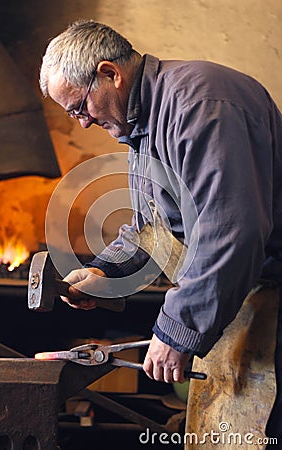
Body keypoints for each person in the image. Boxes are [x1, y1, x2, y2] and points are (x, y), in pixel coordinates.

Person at [39, 20, 282, 444]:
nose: (81, 124)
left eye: (80, 107)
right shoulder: (145, 127)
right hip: (248, 296)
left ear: (110, 74)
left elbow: (232, 233)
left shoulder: (200, 106)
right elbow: (152, 227)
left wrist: (175, 330)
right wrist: (106, 273)